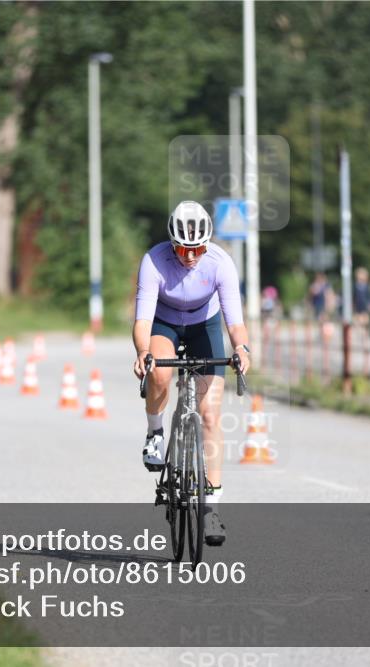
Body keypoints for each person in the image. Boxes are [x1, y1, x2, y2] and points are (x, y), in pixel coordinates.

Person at [132, 200, 251, 546]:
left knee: (210, 414)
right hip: (164, 323)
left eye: (197, 249)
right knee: (159, 373)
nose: (189, 256)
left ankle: (211, 508)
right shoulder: (154, 261)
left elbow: (235, 322)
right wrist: (143, 352)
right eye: (183, 249)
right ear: (172, 244)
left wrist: (242, 349)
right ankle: (155, 432)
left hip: (204, 325)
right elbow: (142, 320)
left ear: (207, 244)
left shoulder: (220, 263)